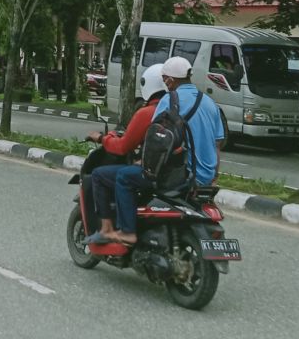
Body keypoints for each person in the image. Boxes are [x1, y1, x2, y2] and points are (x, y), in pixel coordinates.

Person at [105, 55, 224, 246]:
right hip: (205, 179)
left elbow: (157, 140)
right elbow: (217, 146)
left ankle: (127, 232)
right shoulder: (210, 103)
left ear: (170, 80)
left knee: (124, 177)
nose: (164, 83)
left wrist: (144, 163)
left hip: (180, 176)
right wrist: (213, 176)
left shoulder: (169, 100)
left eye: (164, 79)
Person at [83, 64, 168, 245]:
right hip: (177, 172)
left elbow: (122, 147)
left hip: (155, 174)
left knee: (102, 175)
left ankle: (113, 229)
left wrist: (101, 139)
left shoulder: (147, 113)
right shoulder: (180, 109)